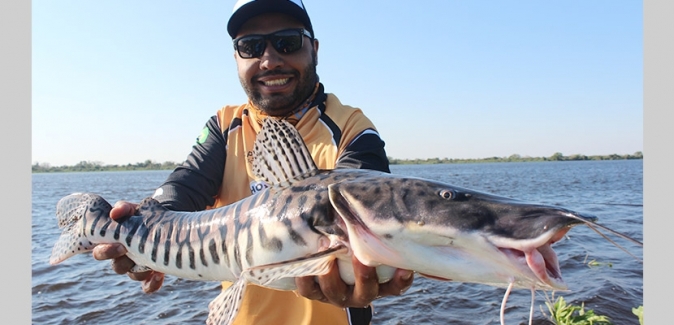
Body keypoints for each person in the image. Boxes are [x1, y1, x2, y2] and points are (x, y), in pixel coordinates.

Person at [92, 0, 414, 324]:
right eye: (251, 46)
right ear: (236, 57)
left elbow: (364, 208)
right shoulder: (224, 124)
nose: (270, 61)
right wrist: (146, 231)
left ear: (314, 49)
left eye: (287, 42)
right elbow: (186, 184)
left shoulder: (352, 128)